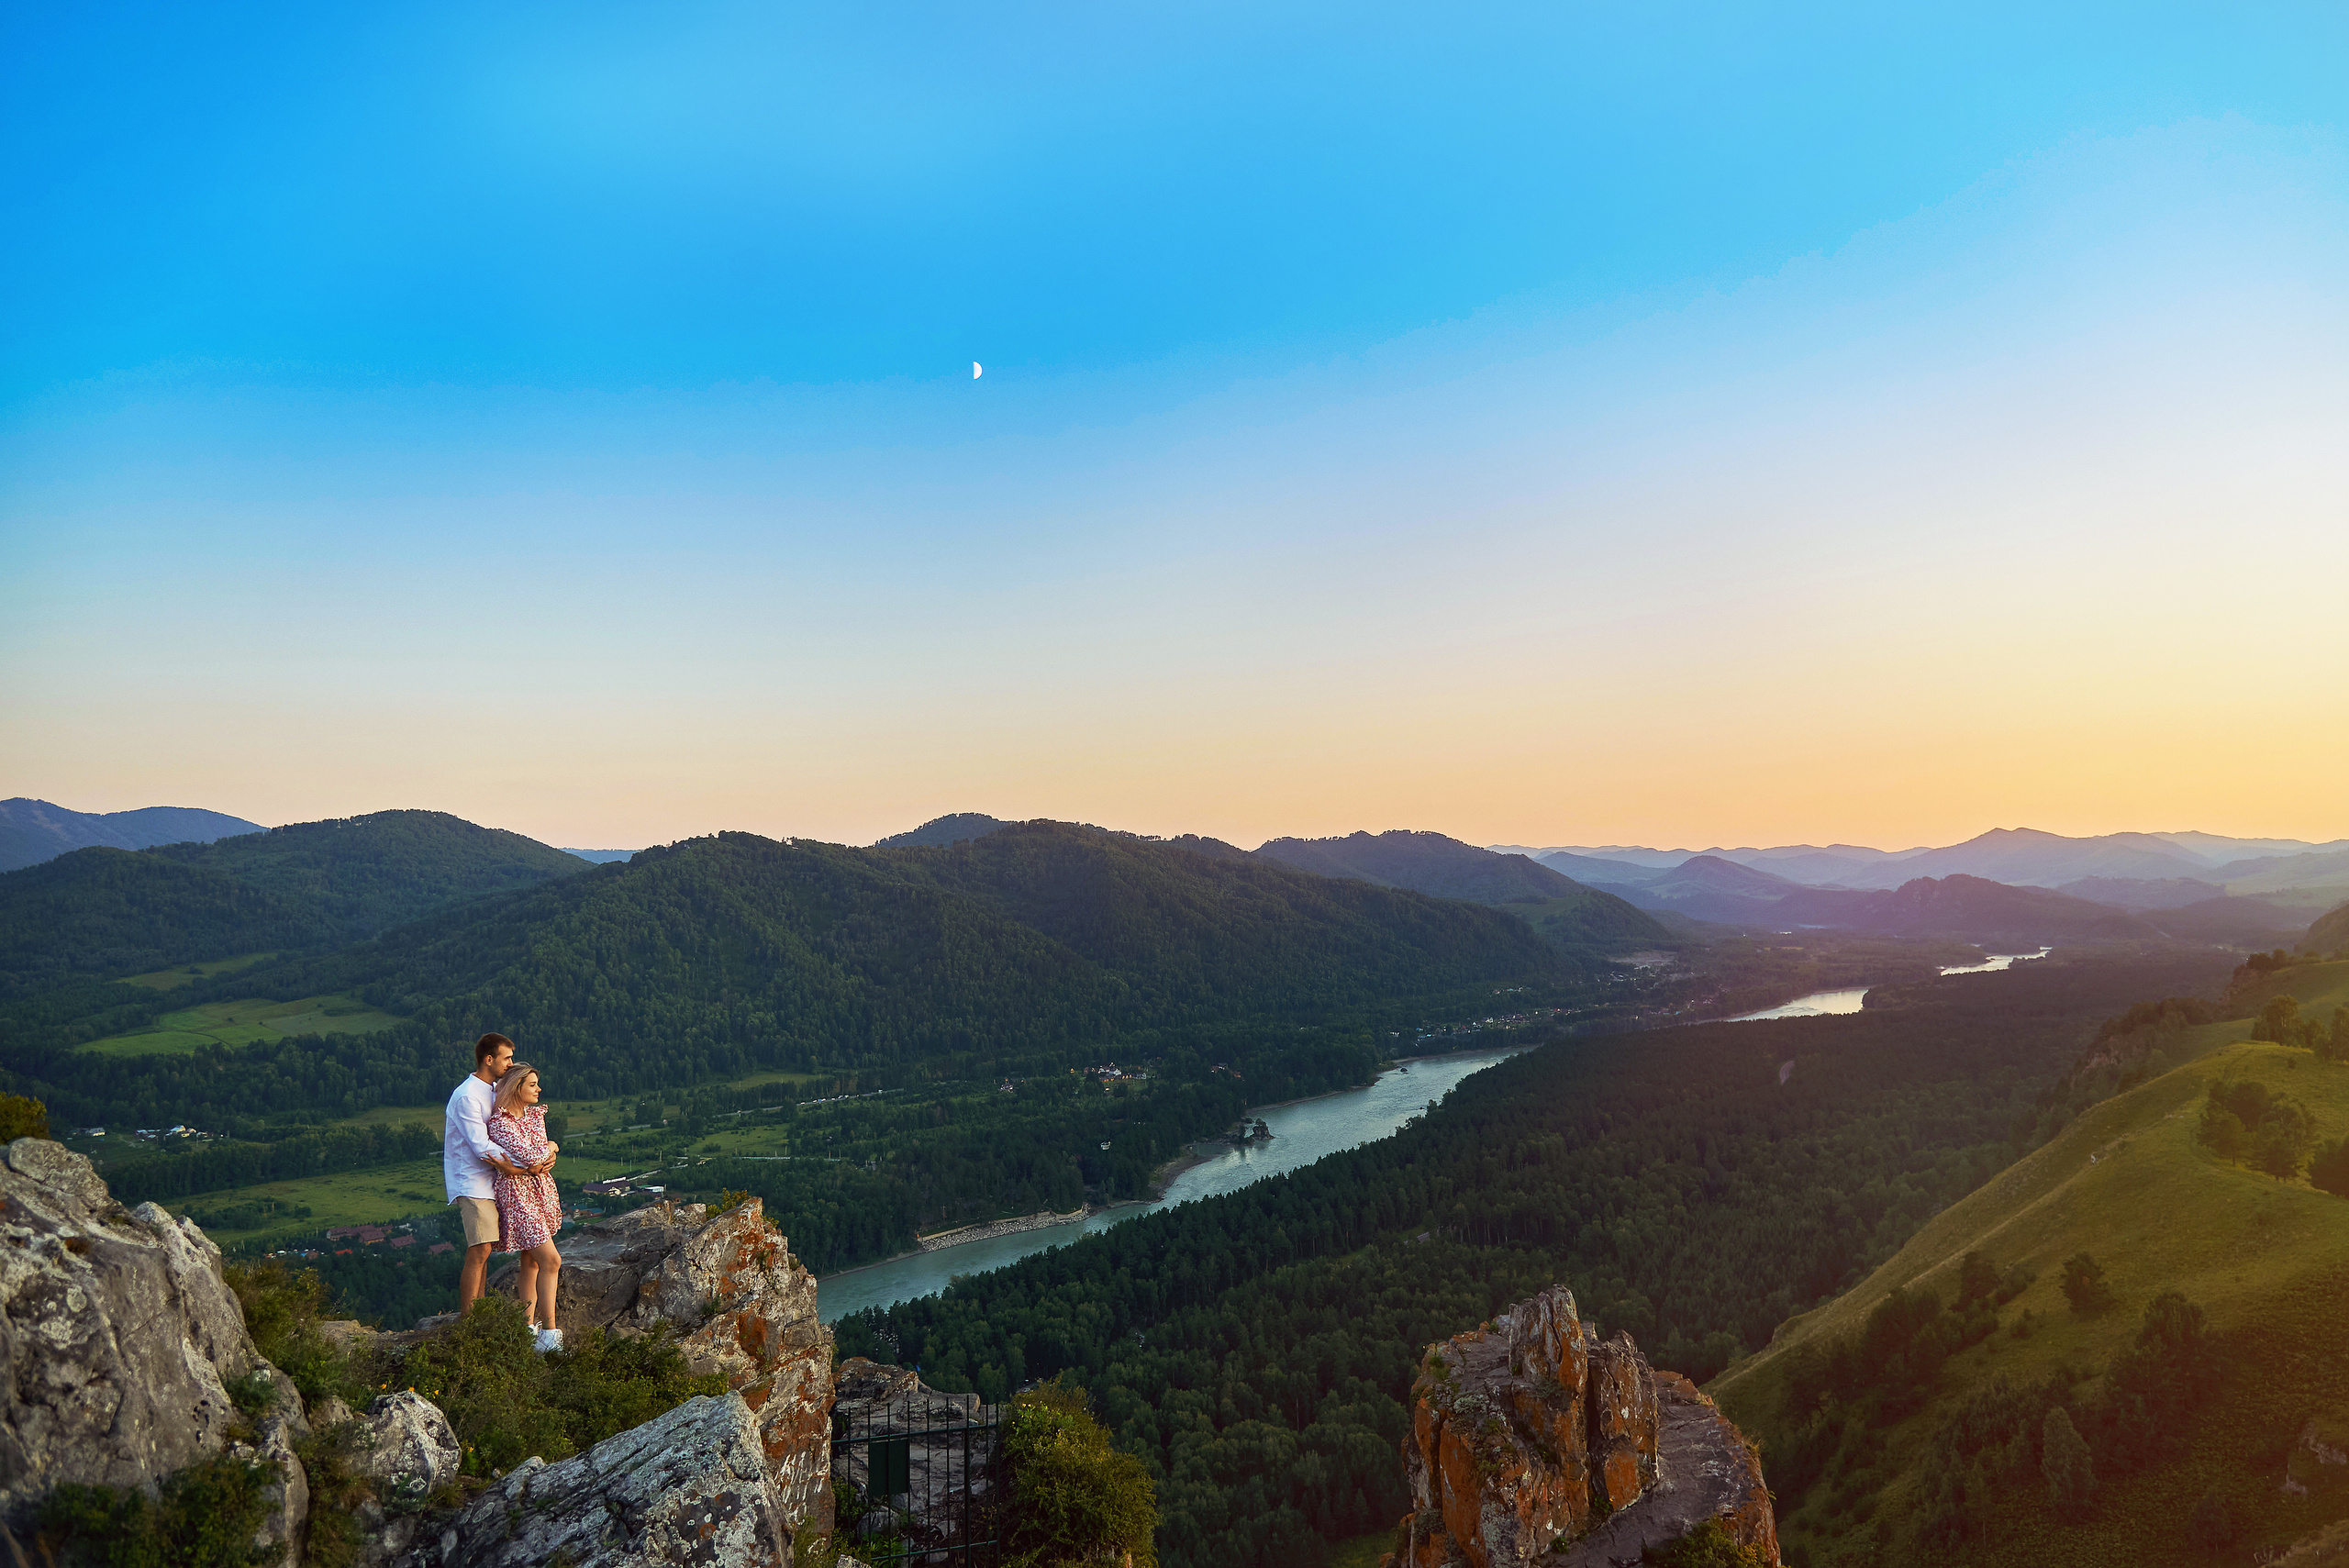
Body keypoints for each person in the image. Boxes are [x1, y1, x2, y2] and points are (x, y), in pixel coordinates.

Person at [442, 1032, 540, 1313]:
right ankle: (469, 1318)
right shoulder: (467, 1096)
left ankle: (479, 1312)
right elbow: (480, 1144)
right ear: (489, 1059)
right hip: (471, 1181)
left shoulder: (493, 1090)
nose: (510, 1063)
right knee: (480, 1249)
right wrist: (519, 1166)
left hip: (490, 1181)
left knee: (484, 1250)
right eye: (506, 1058)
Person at [486, 1060, 565, 1351]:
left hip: (539, 1192)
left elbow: (539, 1159)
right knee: (551, 1261)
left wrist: (548, 1151)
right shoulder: (500, 1123)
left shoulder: (535, 1116)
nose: (539, 1089)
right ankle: (551, 1335)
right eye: (532, 1084)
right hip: (517, 1196)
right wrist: (553, 1146)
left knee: (531, 1262)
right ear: (515, 1087)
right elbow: (533, 1159)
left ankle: (527, 1331)